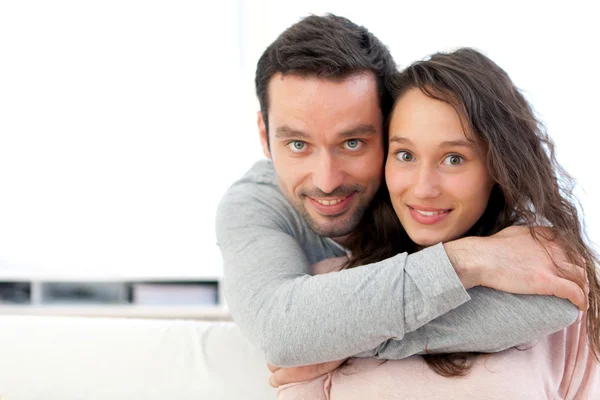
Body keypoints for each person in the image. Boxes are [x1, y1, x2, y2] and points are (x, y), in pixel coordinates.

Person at [215, 14, 585, 371]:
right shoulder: (253, 204)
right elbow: (280, 331)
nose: (326, 180)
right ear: (264, 136)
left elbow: (557, 297)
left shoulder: (440, 188)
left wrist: (337, 342)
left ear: (389, 125)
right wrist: (467, 260)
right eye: (298, 144)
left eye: (353, 142)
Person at [274, 48, 599, 399]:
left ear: (498, 168)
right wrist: (468, 258)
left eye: (454, 158)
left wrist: (349, 341)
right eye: (406, 155)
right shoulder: (327, 292)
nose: (423, 188)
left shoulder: (550, 278)